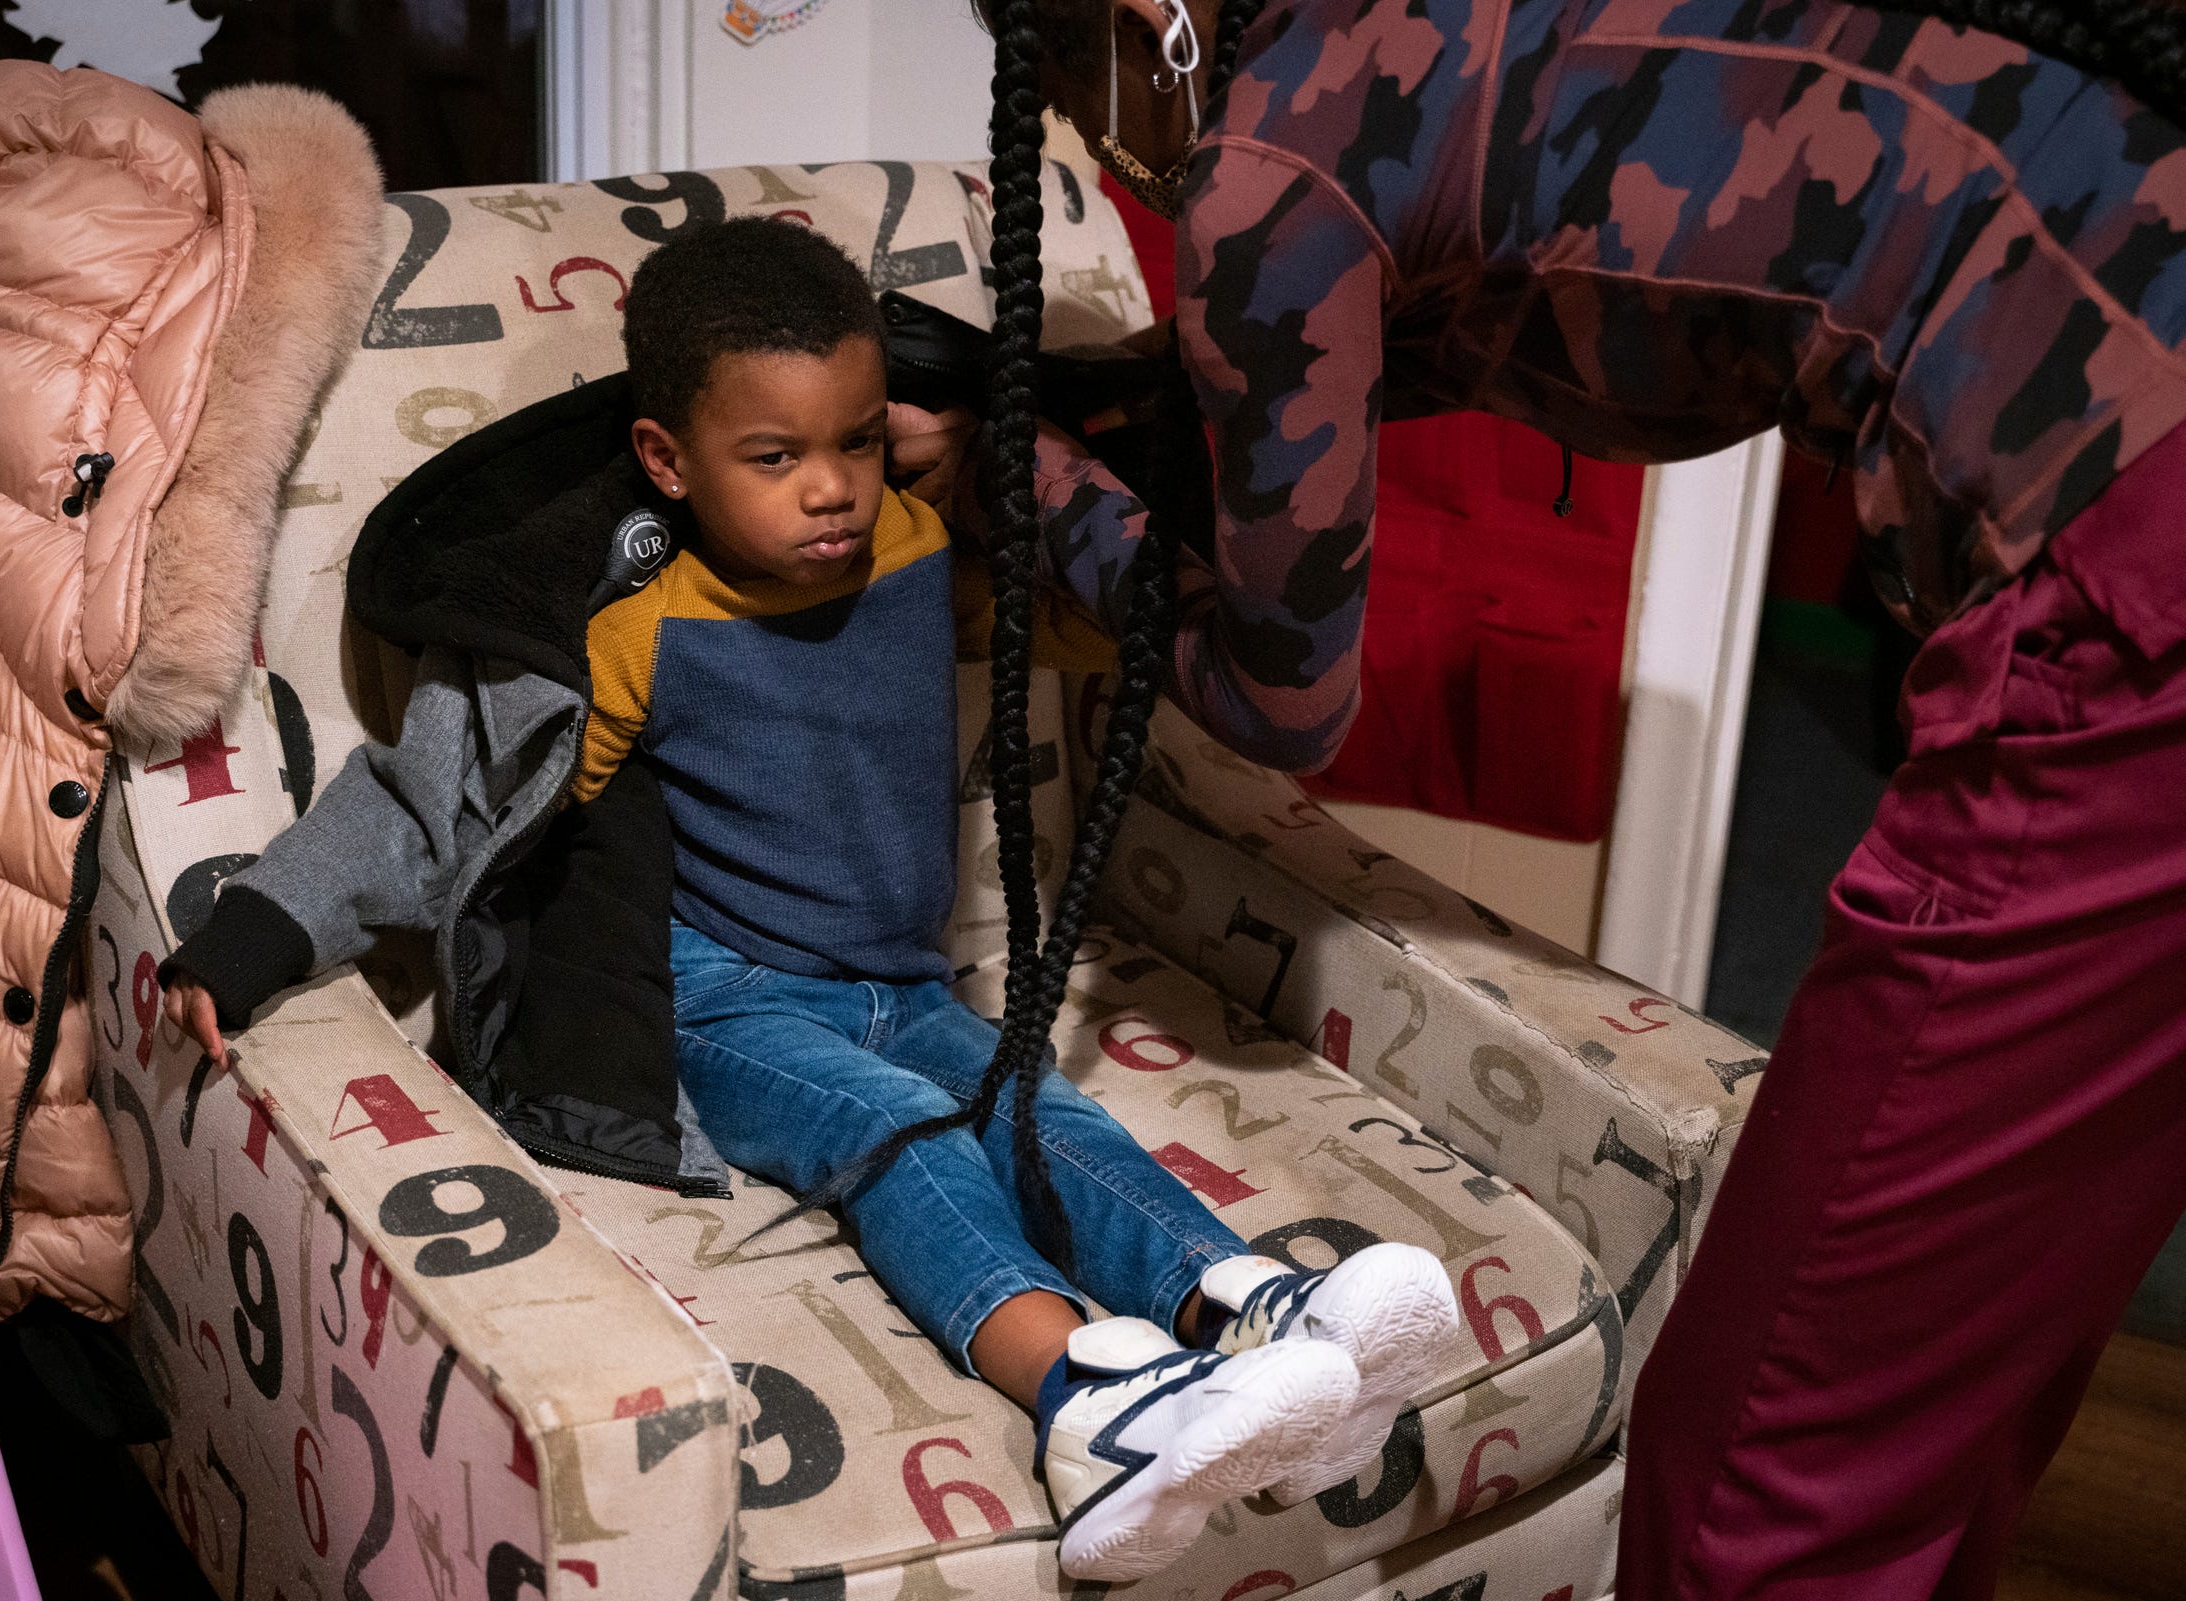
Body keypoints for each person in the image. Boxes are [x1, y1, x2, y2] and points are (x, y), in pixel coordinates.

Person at [898, 2, 2186, 1596]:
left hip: (2140, 592)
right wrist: (1108, 399)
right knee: (1960, 1386)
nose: (1086, 133)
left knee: (1754, 1465)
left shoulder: (1273, 153)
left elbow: (1279, 695)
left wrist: (1007, 477)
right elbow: (1523, 296)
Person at [158, 216, 1458, 1582]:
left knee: (1036, 1102)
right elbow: (440, 796)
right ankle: (1088, 1403)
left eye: (852, 437)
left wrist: (1020, 483)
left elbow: (1120, 614)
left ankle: (1247, 1307)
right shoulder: (625, 617)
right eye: (773, 459)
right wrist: (252, 932)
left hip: (907, 983)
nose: (828, 488)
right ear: (668, 460)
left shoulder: (916, 545)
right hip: (719, 996)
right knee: (895, 1128)